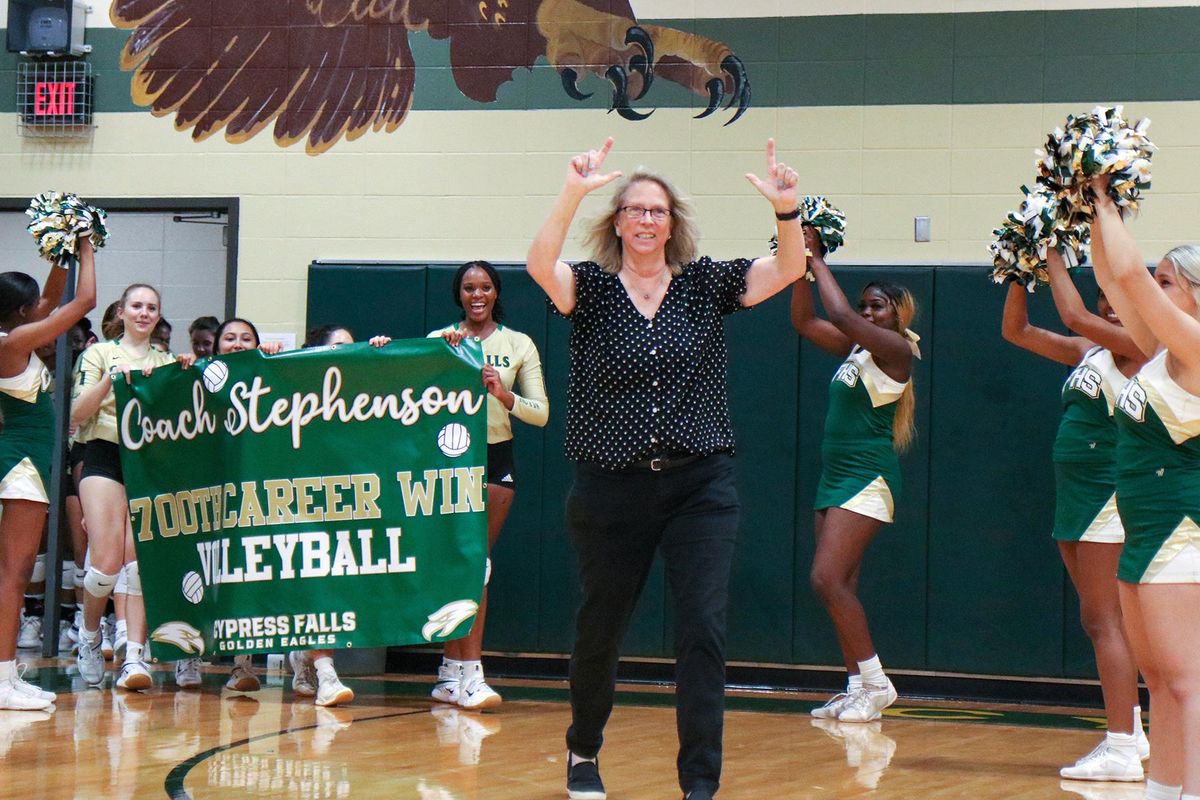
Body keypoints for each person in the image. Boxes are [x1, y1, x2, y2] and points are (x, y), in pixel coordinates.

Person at [526, 137, 806, 800]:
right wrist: (573, 190)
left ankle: (699, 783)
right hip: (610, 487)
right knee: (601, 627)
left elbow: (788, 270)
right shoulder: (591, 292)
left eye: (658, 211)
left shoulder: (705, 286)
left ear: (671, 225)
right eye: (635, 210)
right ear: (617, 222)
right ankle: (584, 752)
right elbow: (540, 263)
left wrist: (787, 211)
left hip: (699, 486)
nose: (647, 220)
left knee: (702, 629)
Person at [1001, 249, 1150, 780]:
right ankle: (1130, 732)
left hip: (1108, 493)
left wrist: (1050, 254)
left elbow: (1073, 315)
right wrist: (1018, 269)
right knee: (1107, 619)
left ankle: (1120, 745)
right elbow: (1016, 331)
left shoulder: (1144, 347)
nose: (1110, 309)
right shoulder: (1091, 351)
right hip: (1075, 495)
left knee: (1102, 619)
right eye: (1105, 300)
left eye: (1121, 301)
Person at [1089, 176, 1200, 800]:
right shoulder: (1162, 347)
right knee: (1157, 680)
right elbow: (1113, 280)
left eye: (1166, 282)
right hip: (1144, 529)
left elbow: (1129, 280)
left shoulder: (1196, 348)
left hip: (1182, 531)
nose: (1151, 289)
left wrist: (1109, 200)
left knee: (1189, 682)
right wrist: (1087, 209)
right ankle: (1163, 791)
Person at [790, 226, 918, 724]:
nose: (866, 313)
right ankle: (855, 685)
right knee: (839, 583)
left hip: (867, 477)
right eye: (865, 306)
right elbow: (805, 319)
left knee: (825, 578)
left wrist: (815, 254)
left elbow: (837, 313)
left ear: (897, 316)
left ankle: (877, 682)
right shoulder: (856, 352)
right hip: (835, 476)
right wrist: (799, 267)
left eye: (877, 307)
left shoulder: (897, 352)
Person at [427, 260, 549, 710]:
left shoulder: (518, 343)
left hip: (495, 456)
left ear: (496, 292)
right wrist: (385, 351)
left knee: (476, 562)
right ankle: (450, 673)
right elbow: (405, 392)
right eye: (468, 288)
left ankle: (469, 673)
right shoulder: (440, 341)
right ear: (458, 295)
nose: (477, 294)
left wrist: (503, 394)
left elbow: (541, 412)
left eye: (484, 287)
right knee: (454, 563)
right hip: (445, 459)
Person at [0, 237, 96, 710]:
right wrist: (86, 247)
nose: (41, 307)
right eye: (32, 304)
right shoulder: (15, 342)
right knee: (13, 574)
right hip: (21, 461)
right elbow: (84, 302)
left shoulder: (14, 333)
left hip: (30, 458)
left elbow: (53, 300)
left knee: (14, 574)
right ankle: (1, 680)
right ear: (20, 311)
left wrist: (59, 246)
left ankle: (6, 674)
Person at [71, 283, 181, 691]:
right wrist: (112, 382)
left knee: (138, 564)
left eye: (152, 307)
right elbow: (79, 413)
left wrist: (179, 376)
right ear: (121, 310)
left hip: (149, 462)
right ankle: (88, 634)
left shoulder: (166, 359)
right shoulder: (98, 354)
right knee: (105, 562)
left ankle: (133, 656)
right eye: (137, 305)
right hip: (103, 454)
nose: (144, 313)